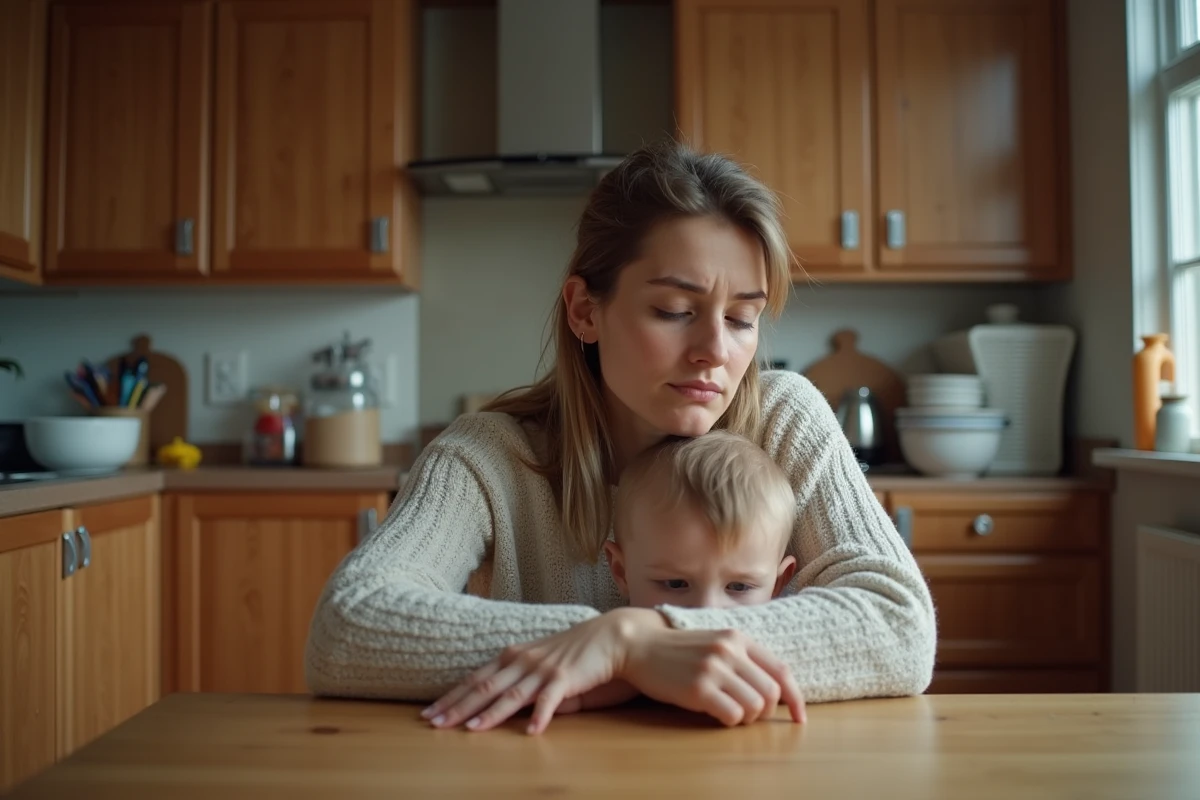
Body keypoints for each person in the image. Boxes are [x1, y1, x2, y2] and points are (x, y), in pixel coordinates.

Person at [304, 139, 937, 736]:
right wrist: (623, 648)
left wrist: (629, 639)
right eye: (674, 312)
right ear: (585, 310)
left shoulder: (786, 417)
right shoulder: (487, 457)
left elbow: (900, 624)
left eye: (742, 319)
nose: (715, 351)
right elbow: (348, 626)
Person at [605, 430, 798, 611]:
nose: (706, 611)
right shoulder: (604, 643)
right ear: (622, 572)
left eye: (739, 587)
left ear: (777, 584)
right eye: (676, 584)